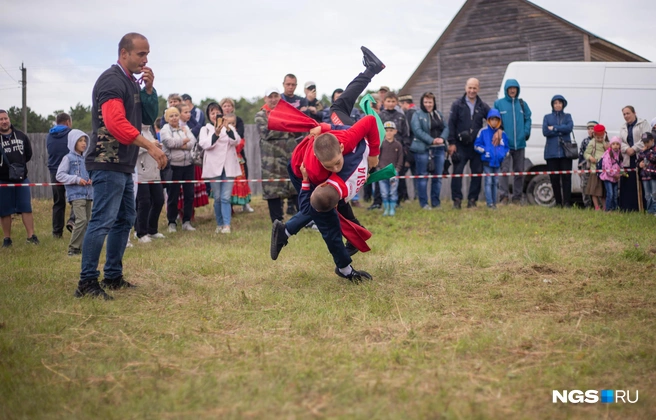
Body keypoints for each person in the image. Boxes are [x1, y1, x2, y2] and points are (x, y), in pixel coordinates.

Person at [76, 33, 166, 299]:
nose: (145, 59)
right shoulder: (112, 80)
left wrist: (149, 90)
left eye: (147, 54)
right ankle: (87, 282)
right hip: (106, 162)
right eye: (141, 54)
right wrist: (150, 146)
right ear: (124, 53)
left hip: (123, 163)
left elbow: (148, 118)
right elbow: (115, 123)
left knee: (126, 218)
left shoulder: (132, 83)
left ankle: (113, 276)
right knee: (102, 220)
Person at [255, 88, 299, 222]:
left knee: (295, 188)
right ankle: (277, 221)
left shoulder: (288, 113)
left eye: (276, 96)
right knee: (272, 190)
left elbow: (297, 130)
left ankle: (303, 220)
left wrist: (277, 126)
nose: (273, 99)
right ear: (265, 99)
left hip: (289, 157)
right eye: (270, 97)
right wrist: (286, 127)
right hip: (271, 162)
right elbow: (266, 133)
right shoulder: (260, 115)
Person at [448, 78, 491, 209]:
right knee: (457, 172)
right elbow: (451, 124)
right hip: (460, 145)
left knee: (477, 172)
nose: (472, 91)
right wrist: (451, 143)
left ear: (478, 89)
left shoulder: (482, 106)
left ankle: (472, 200)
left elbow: (493, 119)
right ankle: (457, 200)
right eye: (470, 88)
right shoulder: (457, 105)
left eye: (475, 88)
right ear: (465, 87)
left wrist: (498, 131)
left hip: (476, 145)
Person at [199, 108, 241, 234]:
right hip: (213, 167)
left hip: (228, 166)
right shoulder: (205, 129)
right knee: (217, 197)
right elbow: (205, 144)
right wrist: (216, 133)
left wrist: (227, 128)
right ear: (209, 115)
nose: (215, 115)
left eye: (218, 113)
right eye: (212, 113)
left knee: (225, 198)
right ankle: (219, 224)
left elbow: (236, 141)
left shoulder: (229, 128)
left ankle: (227, 225)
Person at [0, 109, 38, 248]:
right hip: (3, 180)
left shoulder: (21, 136)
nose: (4, 122)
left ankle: (31, 236)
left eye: (5, 118)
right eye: (1, 120)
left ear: (9, 119)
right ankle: (7, 239)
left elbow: (28, 154)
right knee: (4, 210)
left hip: (22, 179)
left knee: (26, 208)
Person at [493, 79, 532, 205]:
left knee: (519, 172)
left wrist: (525, 132)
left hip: (520, 144)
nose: (512, 90)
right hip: (504, 145)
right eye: (510, 88)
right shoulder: (499, 104)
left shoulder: (522, 104)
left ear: (517, 89)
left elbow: (528, 118)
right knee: (504, 171)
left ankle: (517, 198)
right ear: (506, 89)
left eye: (514, 88)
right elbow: (494, 121)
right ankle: (503, 197)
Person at [56, 130, 93, 255]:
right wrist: (76, 180)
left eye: (84, 140)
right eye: (80, 141)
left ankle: (83, 247)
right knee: (81, 220)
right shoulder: (68, 158)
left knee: (87, 221)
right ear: (73, 142)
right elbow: (59, 175)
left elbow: (90, 173)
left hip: (89, 194)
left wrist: (92, 178)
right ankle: (73, 248)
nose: (83, 143)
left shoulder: (87, 159)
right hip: (76, 195)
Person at [410, 92, 449, 209]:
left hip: (439, 149)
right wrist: (432, 140)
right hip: (423, 149)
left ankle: (436, 203)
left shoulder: (438, 114)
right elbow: (417, 130)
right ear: (422, 102)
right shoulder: (417, 114)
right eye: (425, 102)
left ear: (434, 102)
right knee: (422, 176)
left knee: (437, 177)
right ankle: (424, 203)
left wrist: (442, 138)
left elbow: (446, 128)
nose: (428, 104)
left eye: (430, 102)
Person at [161, 106, 197, 232]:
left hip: (188, 165)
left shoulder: (185, 127)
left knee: (189, 195)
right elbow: (169, 143)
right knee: (173, 195)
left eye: (176, 115)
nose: (174, 118)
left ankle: (186, 221)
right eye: (171, 116)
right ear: (167, 118)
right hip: (174, 166)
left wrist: (180, 144)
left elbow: (193, 141)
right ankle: (172, 222)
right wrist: (184, 141)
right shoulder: (165, 129)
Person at [220, 97, 253, 213]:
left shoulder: (239, 120)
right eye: (225, 106)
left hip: (238, 156)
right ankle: (228, 206)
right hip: (224, 157)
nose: (227, 108)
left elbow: (239, 138)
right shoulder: (218, 122)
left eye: (229, 106)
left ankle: (245, 203)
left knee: (242, 180)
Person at [134, 125, 165, 243]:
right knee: (144, 202)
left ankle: (152, 229)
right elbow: (133, 150)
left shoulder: (150, 131)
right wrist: (149, 145)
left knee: (159, 200)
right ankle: (140, 232)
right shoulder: (136, 131)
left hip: (154, 172)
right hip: (141, 173)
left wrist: (157, 147)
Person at [542, 95, 574, 208]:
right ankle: (558, 202)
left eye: (560, 103)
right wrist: (561, 128)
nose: (558, 105)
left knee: (566, 178)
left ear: (563, 104)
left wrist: (554, 128)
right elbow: (545, 131)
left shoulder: (567, 116)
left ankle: (567, 203)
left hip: (566, 153)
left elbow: (569, 128)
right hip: (551, 153)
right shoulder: (547, 117)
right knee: (554, 179)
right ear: (552, 105)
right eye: (555, 103)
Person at [46, 112, 75, 237]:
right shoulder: (71, 134)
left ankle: (57, 232)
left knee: (58, 202)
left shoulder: (49, 135)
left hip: (54, 171)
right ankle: (72, 221)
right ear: (68, 122)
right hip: (70, 170)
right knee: (77, 198)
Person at [474, 109, 509, 209]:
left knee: (495, 182)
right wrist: (485, 151)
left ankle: (494, 203)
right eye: (492, 119)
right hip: (487, 162)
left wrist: (502, 154)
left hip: (498, 162)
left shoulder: (503, 134)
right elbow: (476, 145)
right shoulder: (483, 132)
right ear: (489, 120)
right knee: (488, 182)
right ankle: (489, 203)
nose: (494, 122)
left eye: (496, 120)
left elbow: (506, 147)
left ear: (499, 121)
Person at [619, 106, 650, 212]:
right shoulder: (623, 127)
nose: (626, 116)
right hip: (628, 158)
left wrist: (633, 148)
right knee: (629, 183)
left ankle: (643, 207)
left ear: (634, 113)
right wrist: (627, 149)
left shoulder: (643, 123)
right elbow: (620, 141)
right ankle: (628, 208)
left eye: (628, 113)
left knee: (642, 183)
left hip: (640, 157)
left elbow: (646, 139)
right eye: (624, 114)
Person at [378, 121, 404, 216]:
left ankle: (392, 208)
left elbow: (400, 159)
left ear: (395, 131)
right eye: (387, 130)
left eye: (391, 130)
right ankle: (386, 209)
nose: (388, 132)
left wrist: (396, 170)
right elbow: (377, 157)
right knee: (384, 191)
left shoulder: (398, 145)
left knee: (393, 191)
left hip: (393, 172)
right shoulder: (381, 144)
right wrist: (380, 168)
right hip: (382, 172)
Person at [583, 124, 608, 211]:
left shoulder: (605, 142)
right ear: (594, 135)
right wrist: (590, 158)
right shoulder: (592, 143)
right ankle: (597, 207)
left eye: (602, 137)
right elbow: (586, 153)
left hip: (604, 170)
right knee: (594, 191)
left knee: (603, 191)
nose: (600, 139)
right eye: (598, 138)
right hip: (594, 170)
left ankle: (605, 207)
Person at [398, 94, 416, 203]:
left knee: (402, 173)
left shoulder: (409, 114)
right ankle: (414, 196)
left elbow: (408, 134)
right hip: (415, 147)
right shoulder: (418, 111)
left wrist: (408, 155)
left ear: (405, 103)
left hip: (410, 148)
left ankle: (405, 196)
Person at [578, 121, 599, 209]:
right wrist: (579, 168)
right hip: (586, 166)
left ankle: (598, 206)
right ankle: (587, 205)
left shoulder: (600, 140)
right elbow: (581, 155)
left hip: (597, 167)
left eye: (592, 128)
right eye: (589, 129)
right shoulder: (585, 141)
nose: (591, 131)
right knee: (584, 186)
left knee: (597, 186)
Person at [600, 137, 624, 212]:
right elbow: (607, 168)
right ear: (611, 145)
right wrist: (614, 175)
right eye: (613, 144)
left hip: (616, 179)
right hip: (608, 178)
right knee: (610, 194)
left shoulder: (619, 154)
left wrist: (620, 174)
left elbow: (621, 166)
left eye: (617, 144)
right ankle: (608, 209)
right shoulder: (607, 155)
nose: (615, 146)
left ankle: (615, 209)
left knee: (615, 195)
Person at [637, 132, 656, 214]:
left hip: (653, 175)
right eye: (644, 142)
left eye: (647, 142)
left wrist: (645, 152)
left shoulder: (653, 150)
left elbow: (653, 158)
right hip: (644, 175)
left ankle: (655, 210)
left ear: (652, 140)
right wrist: (639, 164)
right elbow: (637, 161)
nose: (646, 144)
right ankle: (650, 211)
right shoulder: (642, 151)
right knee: (647, 195)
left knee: (654, 193)